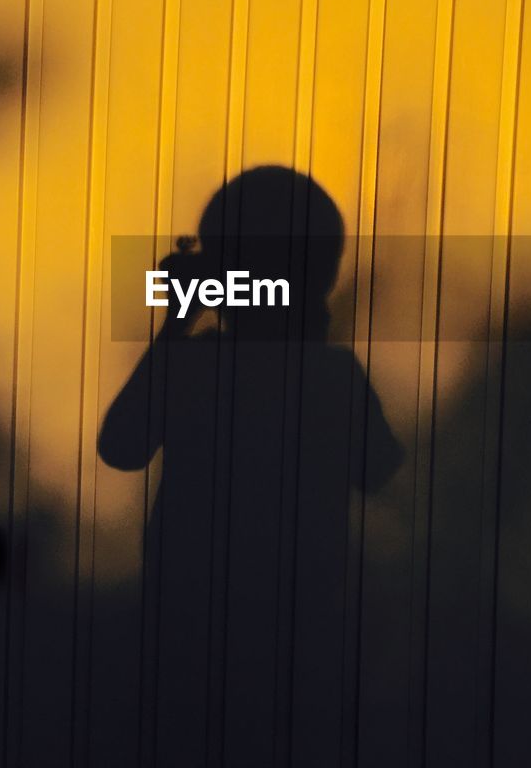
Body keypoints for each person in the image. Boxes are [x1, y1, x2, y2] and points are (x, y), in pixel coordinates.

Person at [99, 166, 402, 761]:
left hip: (190, 642)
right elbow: (379, 467)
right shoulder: (332, 377)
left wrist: (177, 323)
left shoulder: (195, 368)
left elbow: (121, 446)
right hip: (300, 643)